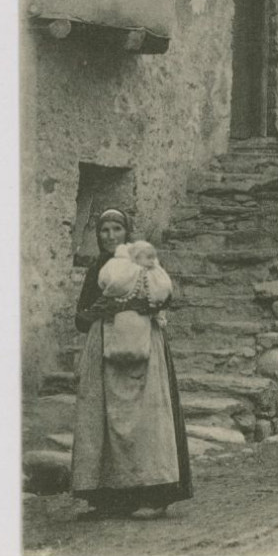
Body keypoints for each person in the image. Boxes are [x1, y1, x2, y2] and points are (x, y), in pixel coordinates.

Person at [71, 209, 192, 519]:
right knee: (104, 422)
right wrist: (102, 308)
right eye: (104, 231)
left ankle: (154, 494)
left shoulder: (143, 261)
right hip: (105, 351)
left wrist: (139, 306)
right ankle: (109, 498)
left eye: (117, 230)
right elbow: (80, 320)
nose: (110, 236)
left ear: (127, 233)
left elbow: (165, 299)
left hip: (144, 349)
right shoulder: (98, 268)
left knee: (147, 421)